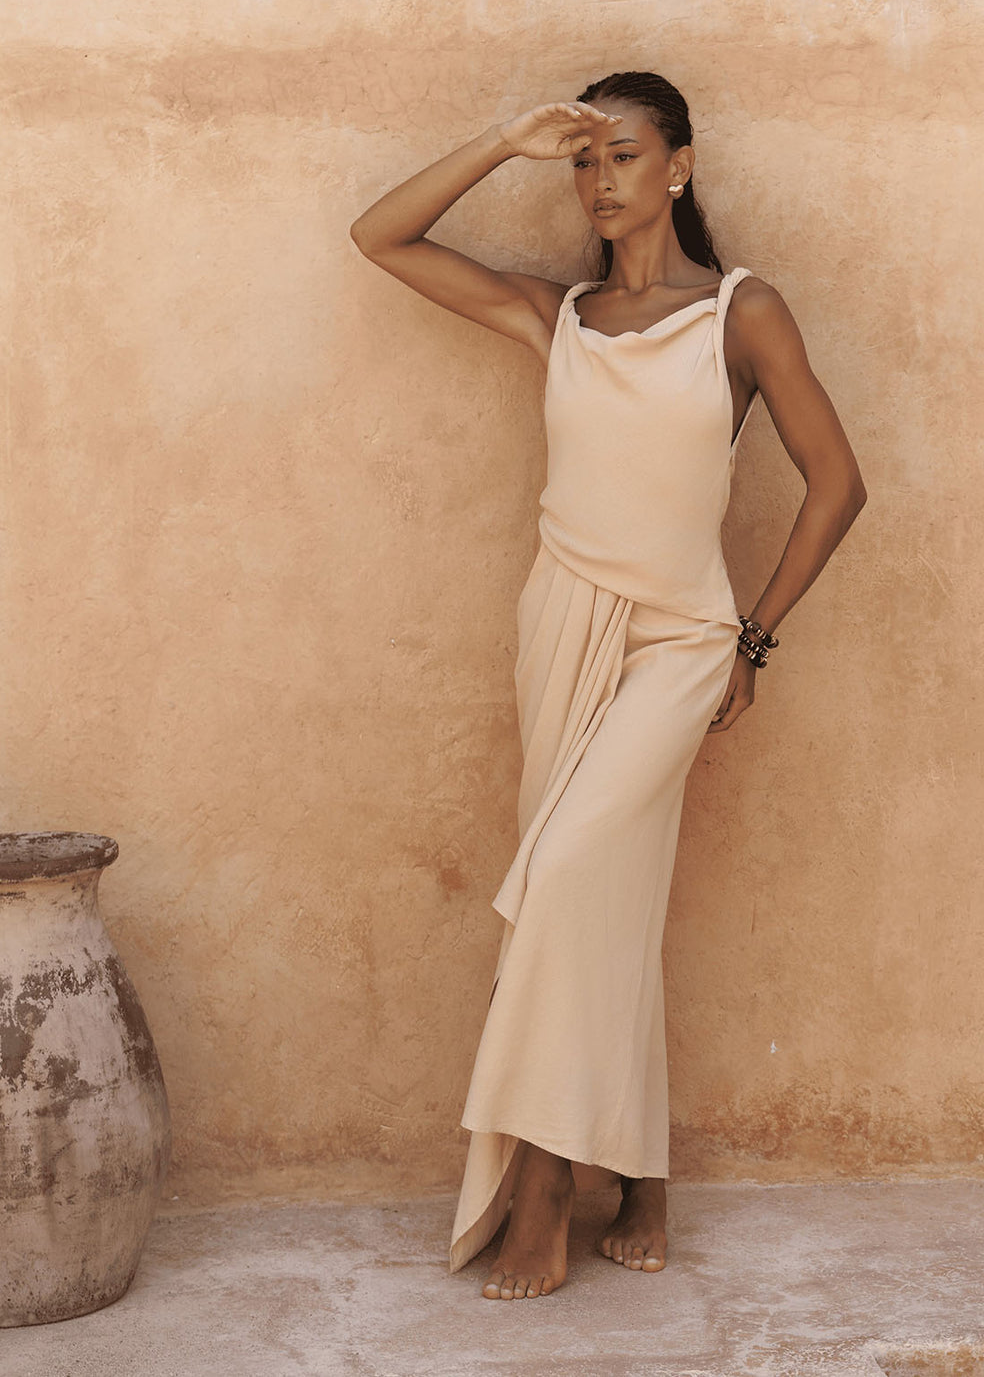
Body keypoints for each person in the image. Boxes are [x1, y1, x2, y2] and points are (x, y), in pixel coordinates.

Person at [350, 71, 867, 1302]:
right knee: (604, 904)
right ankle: (642, 1177)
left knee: (569, 877)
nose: (599, 180)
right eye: (584, 160)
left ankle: (544, 1188)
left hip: (681, 640)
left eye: (623, 155)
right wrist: (503, 141)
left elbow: (838, 482)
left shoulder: (741, 312)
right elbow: (380, 237)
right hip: (561, 625)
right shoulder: (561, 315)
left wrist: (754, 641)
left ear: (679, 168)